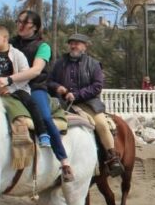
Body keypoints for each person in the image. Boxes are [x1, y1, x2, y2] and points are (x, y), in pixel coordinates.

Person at [0, 24, 74, 182]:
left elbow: (27, 74)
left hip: (19, 90)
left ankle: (53, 145)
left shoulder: (18, 53)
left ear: (4, 38)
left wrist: (10, 88)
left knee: (34, 108)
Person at [47, 33, 124, 177]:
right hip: (63, 103)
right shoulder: (60, 63)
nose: (74, 46)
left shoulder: (93, 64)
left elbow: (97, 86)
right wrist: (58, 87)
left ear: (85, 46)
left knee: (101, 124)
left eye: (77, 43)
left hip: (88, 103)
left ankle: (112, 157)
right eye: (72, 43)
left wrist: (77, 94)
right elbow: (49, 80)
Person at [9, 10, 72, 181]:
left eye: (24, 23)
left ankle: (64, 161)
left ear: (35, 27)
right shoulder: (10, 43)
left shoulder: (43, 47)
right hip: (11, 88)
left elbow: (36, 70)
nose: (20, 25)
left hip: (34, 87)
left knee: (44, 117)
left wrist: (10, 79)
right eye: (18, 21)